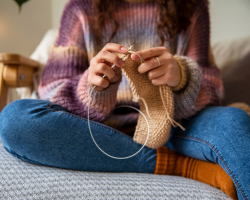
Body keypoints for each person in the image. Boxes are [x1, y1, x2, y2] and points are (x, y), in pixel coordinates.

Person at [0, 0, 249, 199]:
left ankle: (167, 156)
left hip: (174, 127)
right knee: (14, 119)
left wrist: (182, 77)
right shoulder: (80, 9)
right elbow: (51, 91)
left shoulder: (191, 7)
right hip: (94, 132)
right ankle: (179, 166)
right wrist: (92, 86)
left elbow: (211, 89)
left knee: (234, 121)